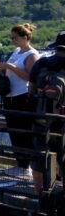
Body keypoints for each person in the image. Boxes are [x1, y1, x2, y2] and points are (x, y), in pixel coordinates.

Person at [0, 23, 40, 177]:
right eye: (11, 38)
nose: (13, 41)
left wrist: (11, 67)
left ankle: (27, 167)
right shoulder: (17, 51)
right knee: (14, 132)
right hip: (10, 97)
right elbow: (10, 71)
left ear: (25, 38)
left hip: (22, 97)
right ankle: (20, 164)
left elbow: (30, 78)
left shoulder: (32, 55)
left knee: (24, 132)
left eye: (15, 38)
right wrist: (0, 68)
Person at [27, 30, 65, 194]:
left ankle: (40, 195)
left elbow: (31, 90)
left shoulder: (41, 63)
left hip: (41, 119)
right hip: (63, 122)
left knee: (39, 157)